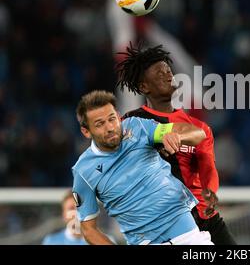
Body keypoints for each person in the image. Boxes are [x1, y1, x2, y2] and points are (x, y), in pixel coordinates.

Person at [116, 43, 237, 245]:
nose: (167, 74)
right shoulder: (132, 124)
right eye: (159, 73)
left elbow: (208, 167)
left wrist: (210, 191)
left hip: (203, 217)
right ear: (144, 86)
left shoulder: (198, 128)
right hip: (164, 224)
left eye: (168, 70)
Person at [72, 90, 213, 245]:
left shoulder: (138, 127)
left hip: (188, 236)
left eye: (112, 119)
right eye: (100, 124)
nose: (110, 128)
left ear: (118, 116)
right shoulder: (83, 171)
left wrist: (178, 137)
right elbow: (88, 229)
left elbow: (198, 134)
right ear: (86, 131)